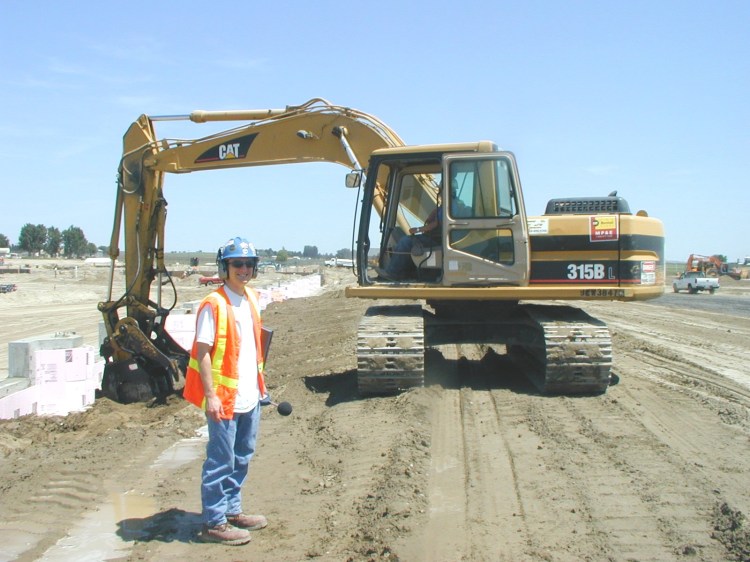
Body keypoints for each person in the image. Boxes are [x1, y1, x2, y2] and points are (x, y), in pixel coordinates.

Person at [183, 236, 269, 546]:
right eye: (237, 264)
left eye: (248, 264)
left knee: (242, 455)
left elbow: (251, 349)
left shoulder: (251, 299)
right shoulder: (214, 304)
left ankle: (232, 510)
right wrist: (211, 395)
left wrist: (260, 384)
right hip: (224, 398)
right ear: (225, 268)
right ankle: (214, 522)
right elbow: (203, 352)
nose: (243, 270)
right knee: (221, 459)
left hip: (249, 395)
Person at [384, 199, 442, 280]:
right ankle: (405, 272)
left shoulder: (448, 206)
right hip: (435, 239)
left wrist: (418, 229)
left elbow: (435, 224)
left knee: (405, 242)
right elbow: (431, 221)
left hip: (436, 241)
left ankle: (394, 273)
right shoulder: (447, 206)